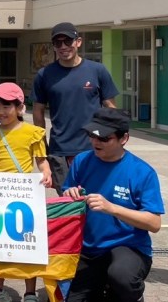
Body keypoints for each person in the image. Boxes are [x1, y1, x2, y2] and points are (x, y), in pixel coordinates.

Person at [57, 108, 164, 302]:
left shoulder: (142, 172)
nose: (96, 142)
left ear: (124, 139)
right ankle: (102, 290)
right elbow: (67, 195)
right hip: (89, 248)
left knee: (121, 275)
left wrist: (112, 208)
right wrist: (69, 194)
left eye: (104, 138)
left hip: (127, 246)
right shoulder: (81, 161)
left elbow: (154, 224)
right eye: (92, 135)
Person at [0, 83, 52, 302]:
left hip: (25, 197)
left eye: (6, 106)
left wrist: (46, 173)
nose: (0, 111)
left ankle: (30, 293)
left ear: (20, 107)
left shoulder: (33, 132)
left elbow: (41, 161)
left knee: (28, 244)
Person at [32, 22, 119, 188]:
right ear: (53, 46)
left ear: (78, 42)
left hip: (94, 147)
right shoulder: (44, 75)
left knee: (93, 195)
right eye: (58, 43)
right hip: (60, 151)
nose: (63, 47)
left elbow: (111, 108)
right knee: (67, 198)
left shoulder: (97, 70)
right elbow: (38, 113)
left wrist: (115, 140)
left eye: (68, 41)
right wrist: (42, 150)